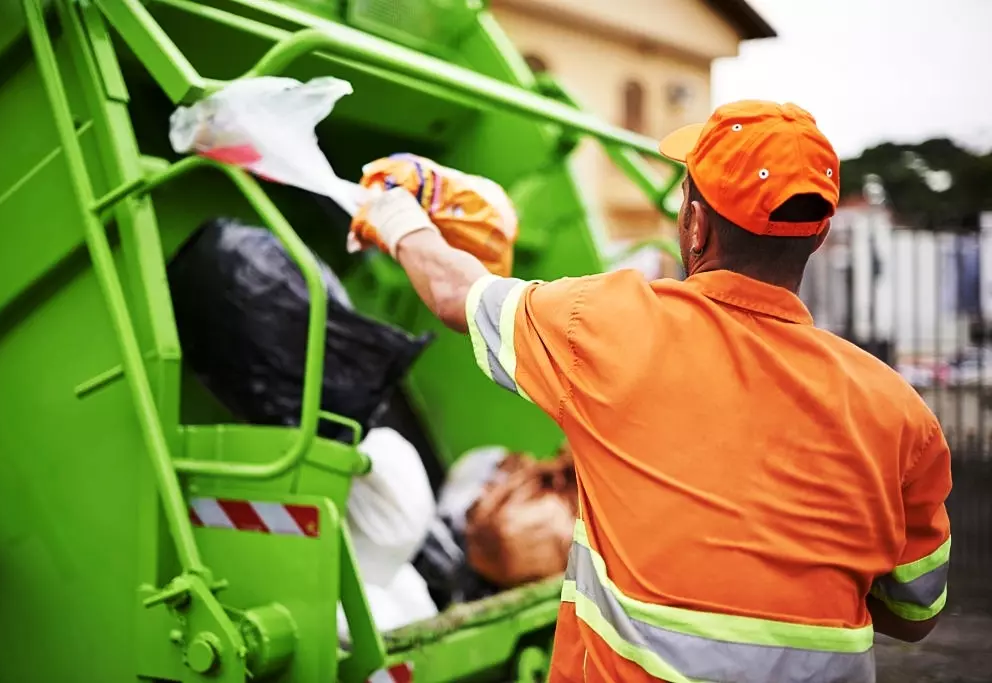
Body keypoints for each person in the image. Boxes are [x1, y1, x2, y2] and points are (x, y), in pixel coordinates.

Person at [350, 100, 952, 683]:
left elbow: (458, 295)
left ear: (694, 223)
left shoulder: (606, 324)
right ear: (817, 237)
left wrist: (397, 213)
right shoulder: (899, 415)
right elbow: (916, 611)